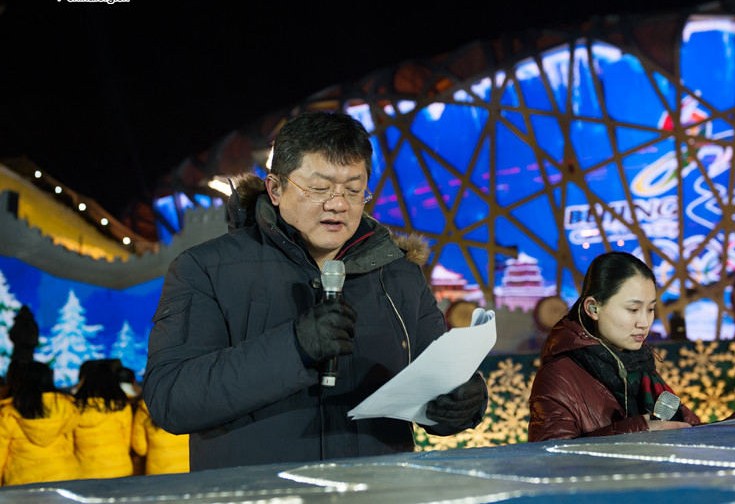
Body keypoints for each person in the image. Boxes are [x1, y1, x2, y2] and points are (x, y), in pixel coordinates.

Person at [143, 110, 486, 471]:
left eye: (354, 190)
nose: (338, 204)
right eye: (319, 188)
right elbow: (171, 400)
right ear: (275, 189)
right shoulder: (205, 269)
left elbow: (437, 384)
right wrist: (294, 348)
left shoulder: (399, 274)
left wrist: (463, 403)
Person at [529, 252, 735, 441]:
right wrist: (637, 431)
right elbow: (550, 461)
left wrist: (732, 427)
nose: (644, 322)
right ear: (593, 308)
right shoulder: (558, 377)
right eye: (633, 310)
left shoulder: (641, 366)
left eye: (650, 309)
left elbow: (686, 430)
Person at [0, 361, 79, 486]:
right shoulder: (66, 406)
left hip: (23, 482)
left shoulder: (8, 413)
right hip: (64, 476)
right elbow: (71, 442)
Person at [73, 359, 134, 478]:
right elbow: (127, 441)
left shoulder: (75, 408)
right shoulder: (121, 407)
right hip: (120, 469)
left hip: (85, 471)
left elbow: (71, 442)